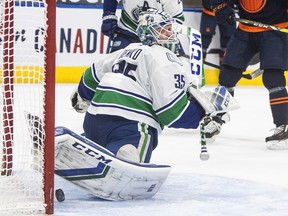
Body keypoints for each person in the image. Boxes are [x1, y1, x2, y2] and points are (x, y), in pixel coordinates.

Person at [71, 9, 238, 163]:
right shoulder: (166, 59)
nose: (170, 33)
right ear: (150, 32)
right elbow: (171, 112)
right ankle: (123, 153)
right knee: (132, 153)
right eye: (164, 30)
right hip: (130, 125)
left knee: (96, 137)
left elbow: (90, 76)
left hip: (93, 118)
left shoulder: (127, 49)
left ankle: (87, 145)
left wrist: (82, 96)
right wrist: (202, 112)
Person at [211, 0, 288, 149]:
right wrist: (220, 6)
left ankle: (283, 125)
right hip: (245, 29)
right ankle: (217, 117)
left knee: (273, 78)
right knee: (227, 75)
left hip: (275, 30)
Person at [101, 0, 185, 54]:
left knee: (175, 68)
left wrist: (164, 36)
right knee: (115, 66)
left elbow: (177, 18)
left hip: (159, 40)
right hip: (128, 31)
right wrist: (109, 16)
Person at [200, 0, 236, 65]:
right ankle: (199, 67)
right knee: (204, 42)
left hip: (227, 13)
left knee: (228, 43)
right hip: (209, 12)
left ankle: (224, 70)